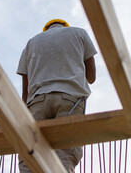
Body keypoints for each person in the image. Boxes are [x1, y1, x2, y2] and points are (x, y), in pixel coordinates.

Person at [17, 19, 97, 172]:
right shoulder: (79, 33)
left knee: (30, 154)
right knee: (65, 153)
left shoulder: (31, 43)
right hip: (70, 99)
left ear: (46, 29)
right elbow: (91, 77)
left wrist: (24, 118)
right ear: (65, 26)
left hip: (36, 103)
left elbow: (25, 90)